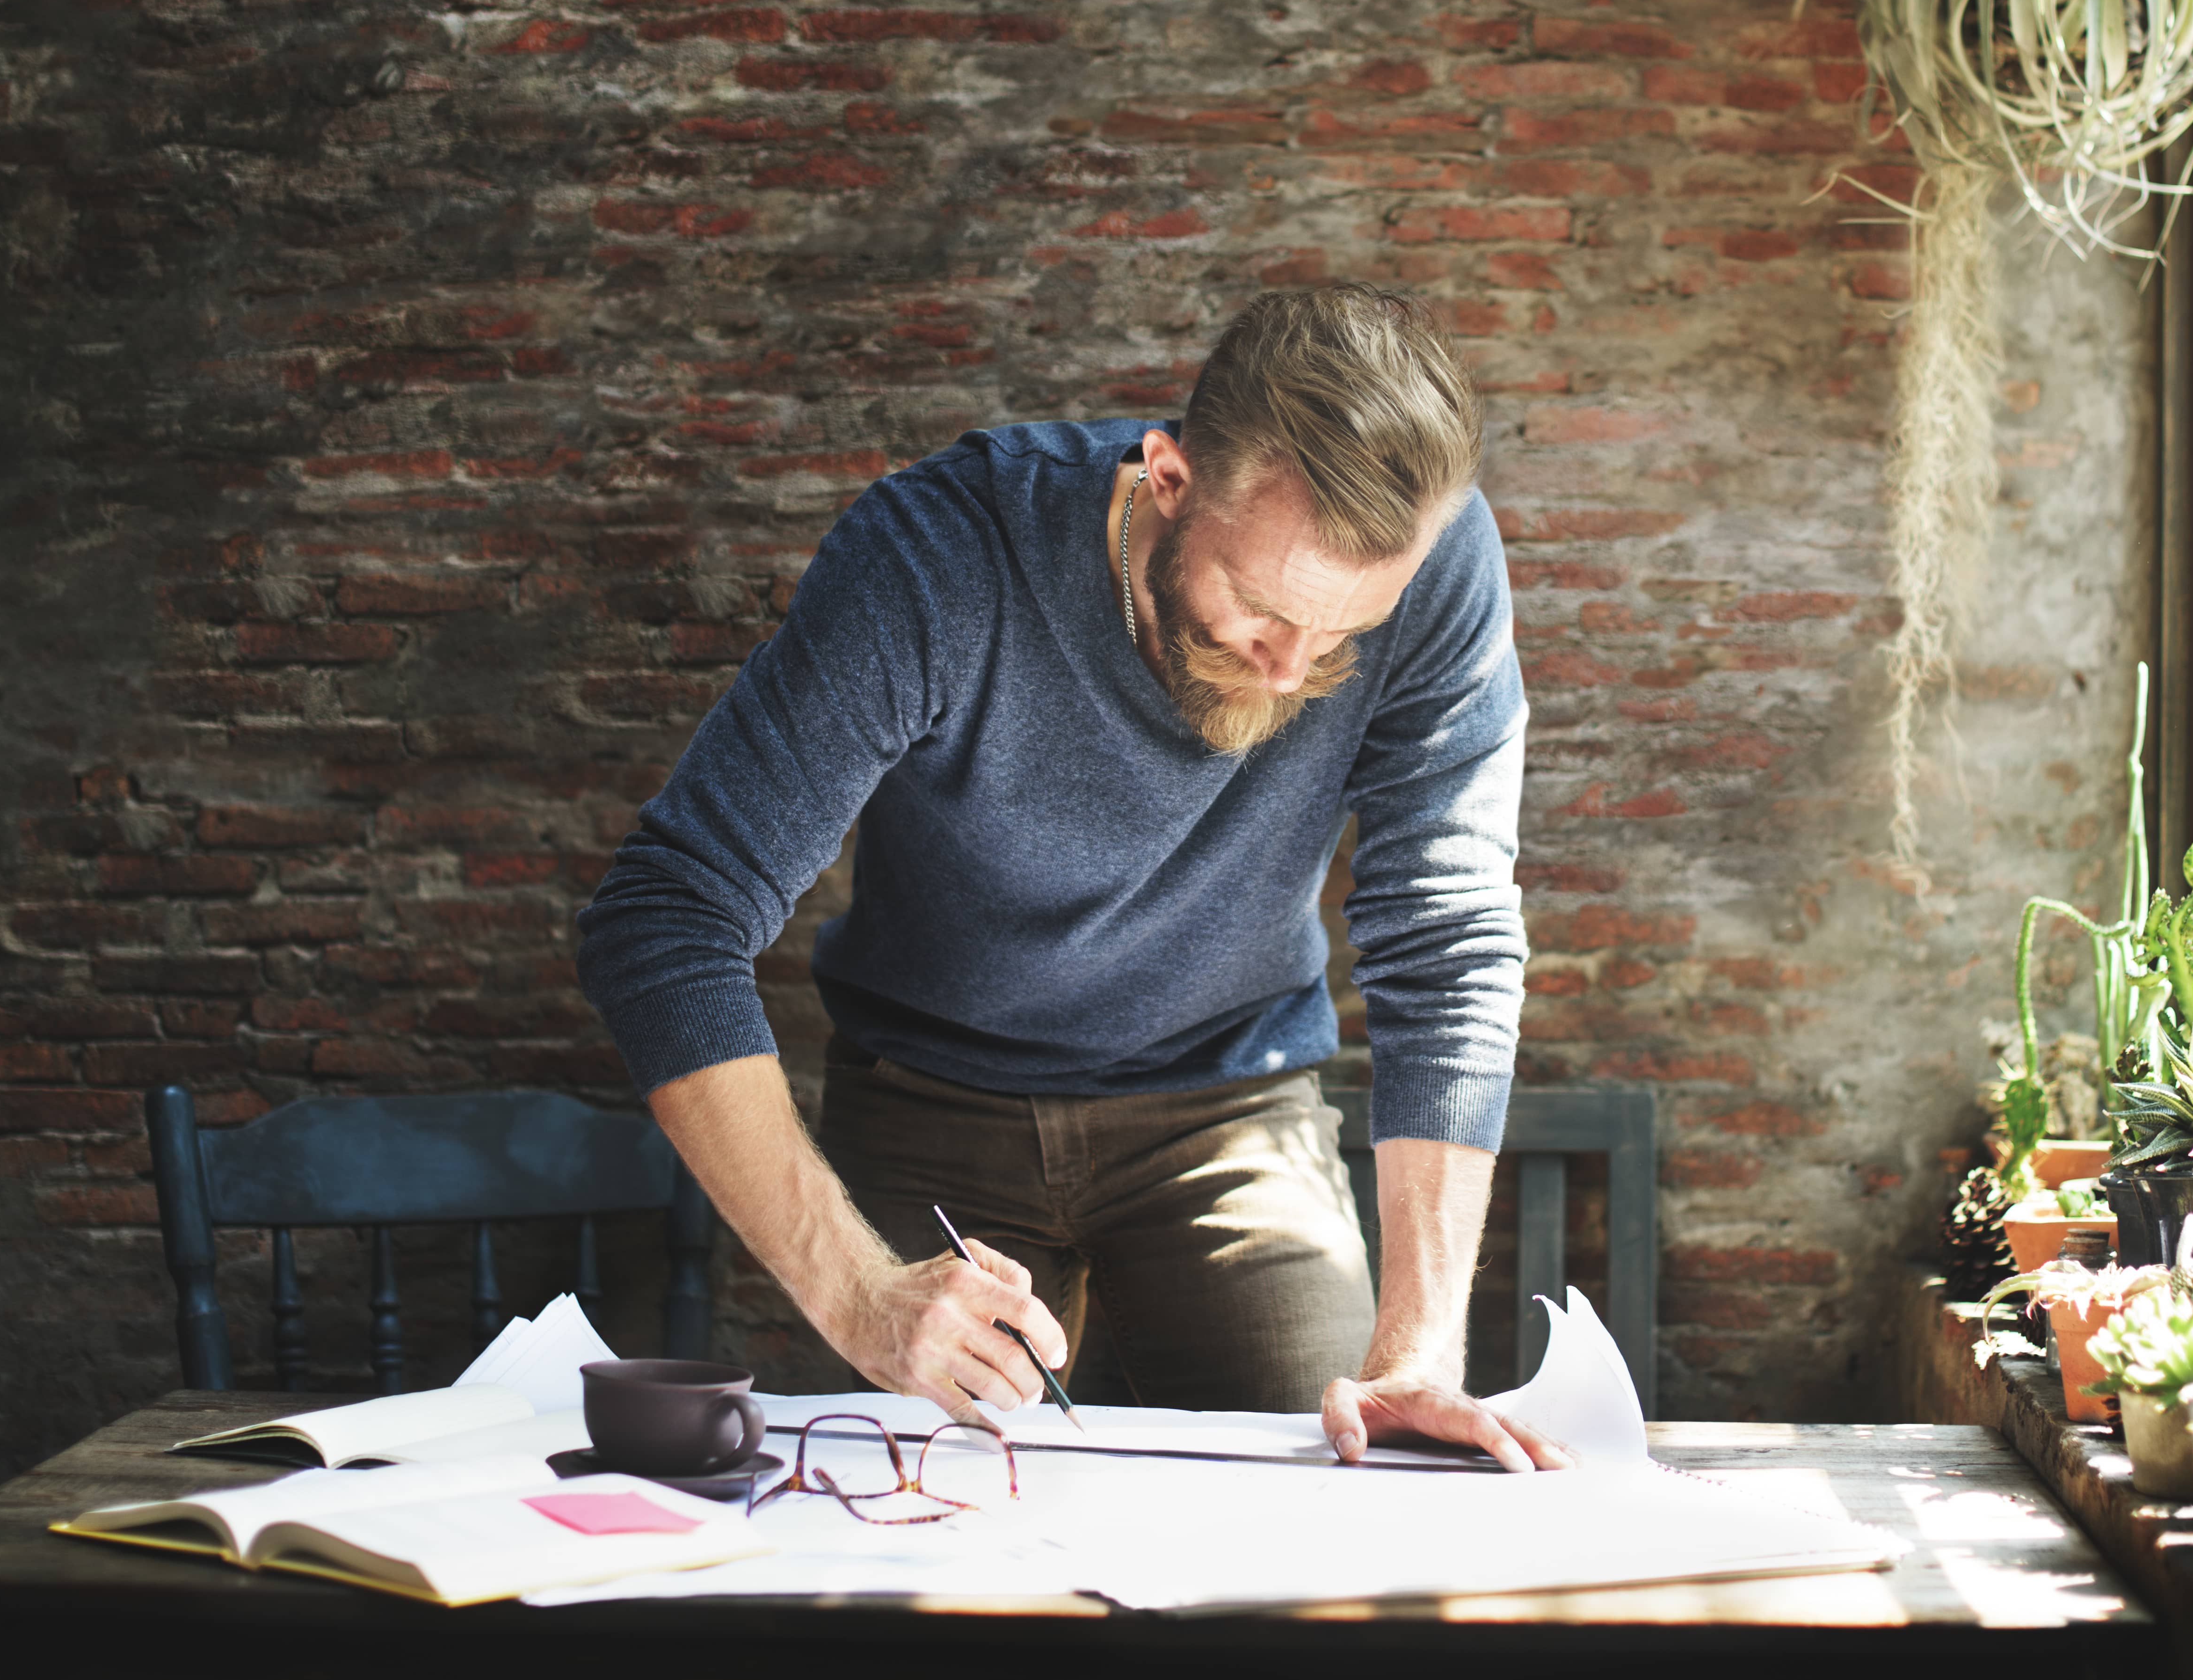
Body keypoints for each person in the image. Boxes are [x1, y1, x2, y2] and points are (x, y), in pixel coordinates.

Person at [577, 284, 1564, 1468]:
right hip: (934, 1095)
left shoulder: (1441, 563)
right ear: (1166, 479)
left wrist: (1418, 1348)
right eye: (1257, 605)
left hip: (1229, 1102)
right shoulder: (939, 560)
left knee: (1337, 1487)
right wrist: (860, 1295)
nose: (1295, 669)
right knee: (936, 1521)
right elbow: (666, 914)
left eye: (1345, 630)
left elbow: (1446, 939)